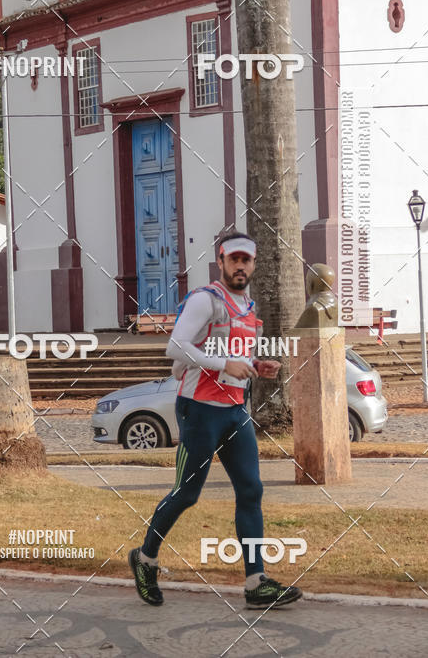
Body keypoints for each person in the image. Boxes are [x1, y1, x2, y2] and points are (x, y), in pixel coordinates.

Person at [129, 232, 303, 609]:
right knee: (187, 494)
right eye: (233, 259)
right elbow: (174, 347)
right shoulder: (206, 300)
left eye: (247, 260)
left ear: (254, 264)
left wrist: (257, 366)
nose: (240, 266)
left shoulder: (247, 308)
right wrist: (226, 364)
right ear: (221, 262)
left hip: (235, 411)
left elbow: (225, 353)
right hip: (199, 411)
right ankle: (145, 559)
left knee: (251, 491)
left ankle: (256, 582)